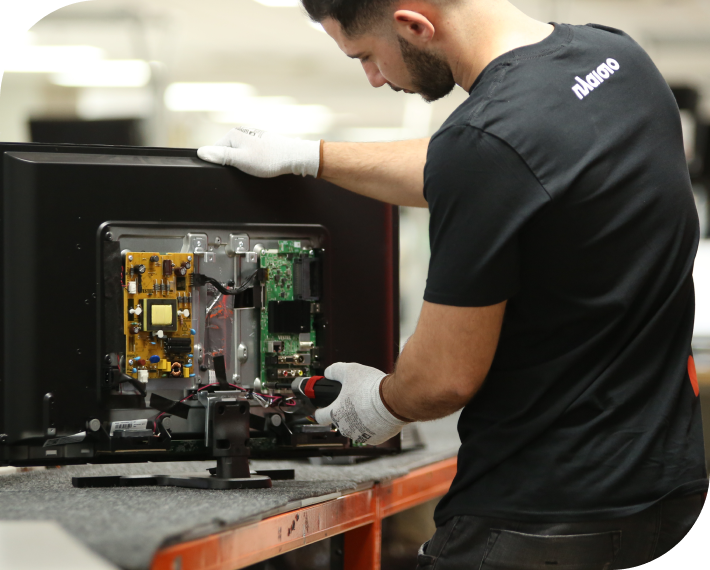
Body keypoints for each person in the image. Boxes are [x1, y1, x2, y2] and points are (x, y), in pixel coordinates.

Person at [198, 1, 708, 567]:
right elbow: (495, 161)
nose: (373, 78)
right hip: (667, 495)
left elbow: (443, 379)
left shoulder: (485, 145)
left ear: (414, 25)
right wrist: (310, 157)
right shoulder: (617, 58)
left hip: (536, 521)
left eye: (366, 56)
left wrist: (378, 404)